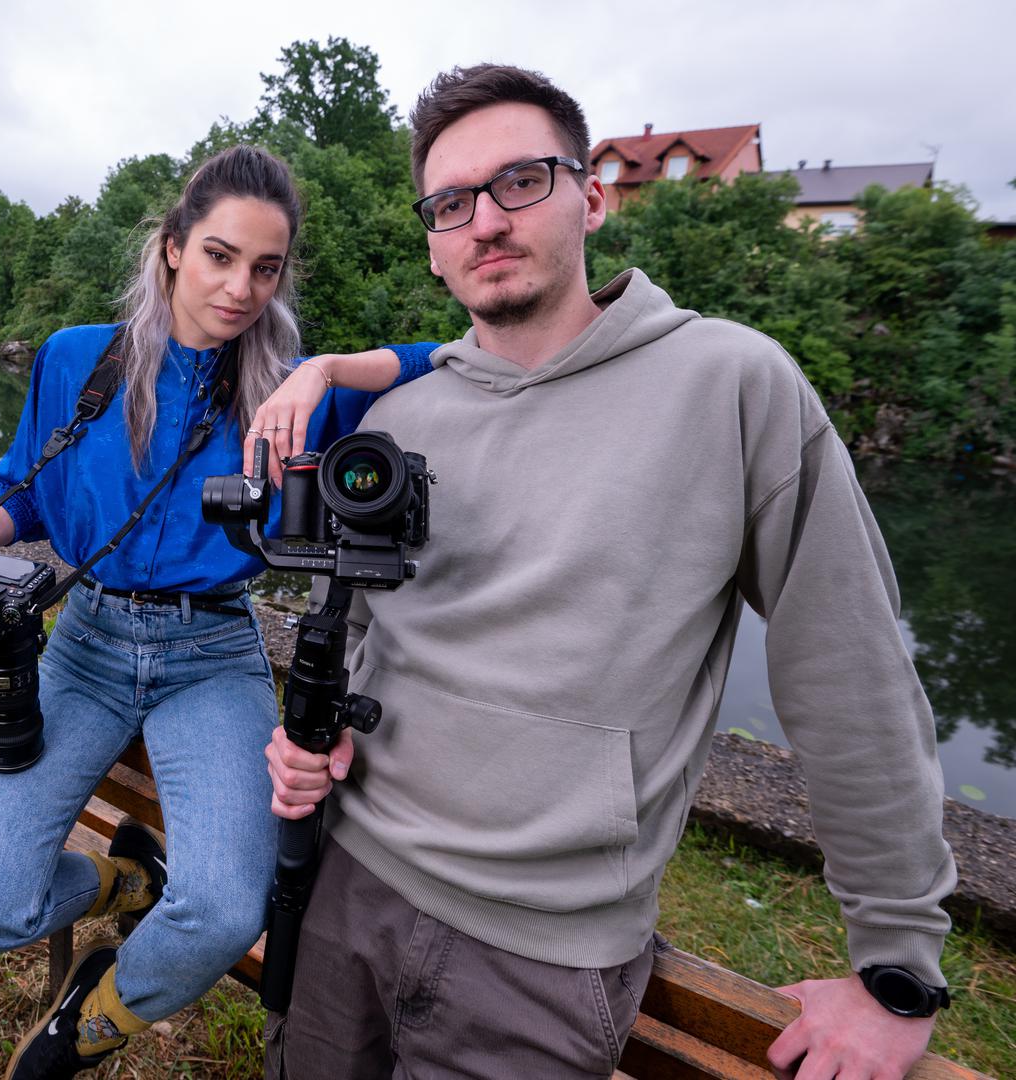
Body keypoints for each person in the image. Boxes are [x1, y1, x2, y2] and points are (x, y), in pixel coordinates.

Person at [260, 64, 957, 1079]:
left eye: (519, 181)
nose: (485, 221)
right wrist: (318, 744)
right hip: (346, 882)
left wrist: (896, 961)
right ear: (432, 246)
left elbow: (846, 666)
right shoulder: (401, 417)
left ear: (590, 198)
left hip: (542, 953)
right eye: (451, 204)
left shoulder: (728, 384)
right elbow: (362, 625)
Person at [0, 144, 436, 1079]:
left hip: (213, 654)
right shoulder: (77, 359)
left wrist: (325, 368)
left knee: (225, 911)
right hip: (85, 645)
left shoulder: (292, 392)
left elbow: (444, 358)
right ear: (172, 246)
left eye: (266, 268)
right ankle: (125, 879)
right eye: (219, 255)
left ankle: (96, 1017)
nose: (241, 289)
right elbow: (23, 492)